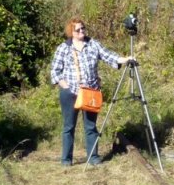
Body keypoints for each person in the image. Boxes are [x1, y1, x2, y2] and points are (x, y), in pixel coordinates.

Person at [50, 18, 130, 166]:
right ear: (71, 32)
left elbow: (108, 55)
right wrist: (63, 84)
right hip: (70, 93)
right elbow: (55, 71)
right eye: (78, 30)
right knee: (69, 127)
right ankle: (66, 160)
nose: (81, 31)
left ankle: (93, 157)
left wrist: (124, 60)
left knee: (91, 126)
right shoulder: (63, 48)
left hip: (91, 92)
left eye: (83, 28)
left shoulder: (93, 44)